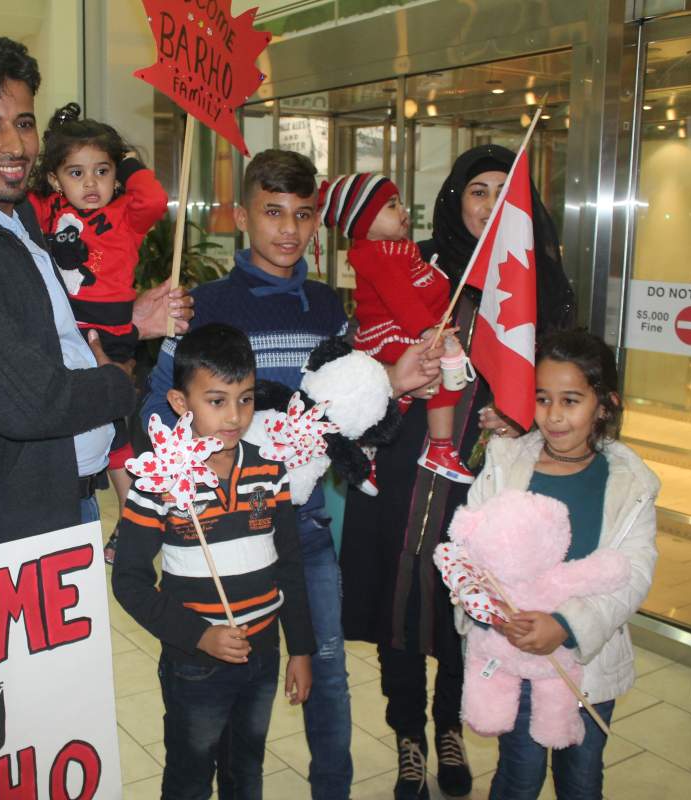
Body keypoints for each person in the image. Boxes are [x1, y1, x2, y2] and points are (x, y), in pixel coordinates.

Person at [142, 149, 443, 799]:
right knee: (213, 687)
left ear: (318, 223)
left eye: (303, 214)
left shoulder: (329, 309)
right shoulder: (202, 308)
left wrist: (394, 380)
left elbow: (342, 413)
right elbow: (155, 416)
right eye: (272, 211)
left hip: (301, 527)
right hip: (220, 536)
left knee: (327, 672)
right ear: (242, 214)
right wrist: (198, 474)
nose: (288, 229)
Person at [339, 144, 575, 800]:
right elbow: (356, 354)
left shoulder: (540, 283)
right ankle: (408, 736)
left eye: (506, 190)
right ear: (455, 199)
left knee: (462, 602)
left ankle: (449, 725)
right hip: (404, 461)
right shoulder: (415, 262)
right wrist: (392, 376)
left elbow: (565, 383)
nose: (491, 203)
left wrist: (525, 417)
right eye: (479, 189)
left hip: (487, 476)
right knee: (397, 599)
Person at [0, 35, 191, 546]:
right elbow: (27, 402)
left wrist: (130, 321)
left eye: (23, 123)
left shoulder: (21, 214)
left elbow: (47, 328)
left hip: (66, 500)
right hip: (7, 529)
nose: (15, 145)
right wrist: (118, 380)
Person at [113, 324, 314, 799]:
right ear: (182, 404)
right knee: (189, 779)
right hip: (193, 664)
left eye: (245, 399)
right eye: (217, 401)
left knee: (246, 774)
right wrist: (199, 635)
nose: (235, 416)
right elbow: (130, 581)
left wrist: (300, 648)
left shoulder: (269, 468)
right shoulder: (159, 481)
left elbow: (289, 564)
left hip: (262, 655)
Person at [459, 328, 659, 799]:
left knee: (582, 778)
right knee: (519, 776)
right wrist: (490, 612)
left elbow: (632, 574)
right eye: (542, 399)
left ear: (604, 404)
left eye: (571, 400)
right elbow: (468, 551)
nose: (553, 416)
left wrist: (567, 624)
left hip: (590, 665)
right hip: (516, 652)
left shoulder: (630, 482)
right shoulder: (507, 462)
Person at [27, 101, 168, 563]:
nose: (91, 184)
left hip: (111, 335)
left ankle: (130, 521)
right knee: (83, 433)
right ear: (55, 179)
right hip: (66, 337)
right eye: (76, 173)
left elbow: (154, 198)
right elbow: (17, 196)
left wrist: (126, 157)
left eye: (102, 171)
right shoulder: (47, 210)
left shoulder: (127, 214)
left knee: (118, 435)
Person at [320, 172, 473, 486]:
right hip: (390, 332)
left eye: (400, 203)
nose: (403, 211)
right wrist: (427, 331)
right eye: (391, 205)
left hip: (409, 329)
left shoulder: (401, 250)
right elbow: (400, 299)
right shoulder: (376, 255)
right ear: (362, 222)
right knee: (430, 376)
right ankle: (436, 447)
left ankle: (372, 447)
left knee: (422, 384)